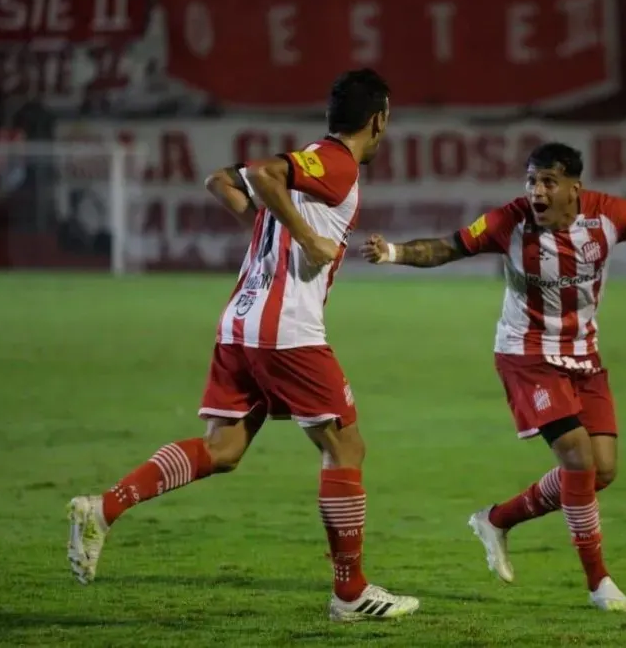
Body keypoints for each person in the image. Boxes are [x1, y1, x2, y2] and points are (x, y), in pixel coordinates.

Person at [67, 68, 419, 622]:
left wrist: (272, 228)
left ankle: (102, 509)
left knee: (224, 450)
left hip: (240, 321)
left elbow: (220, 180)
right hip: (287, 333)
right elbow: (257, 171)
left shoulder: (310, 162)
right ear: (379, 119)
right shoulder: (337, 162)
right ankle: (350, 594)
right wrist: (304, 237)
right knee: (345, 449)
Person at [359, 142, 626, 613]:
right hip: (526, 354)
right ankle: (600, 584)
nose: (537, 190)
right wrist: (392, 251)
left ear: (575, 188)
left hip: (583, 354)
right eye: (531, 180)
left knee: (603, 469)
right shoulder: (508, 221)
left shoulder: (610, 215)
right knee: (577, 456)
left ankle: (496, 519)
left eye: (548, 182)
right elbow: (447, 247)